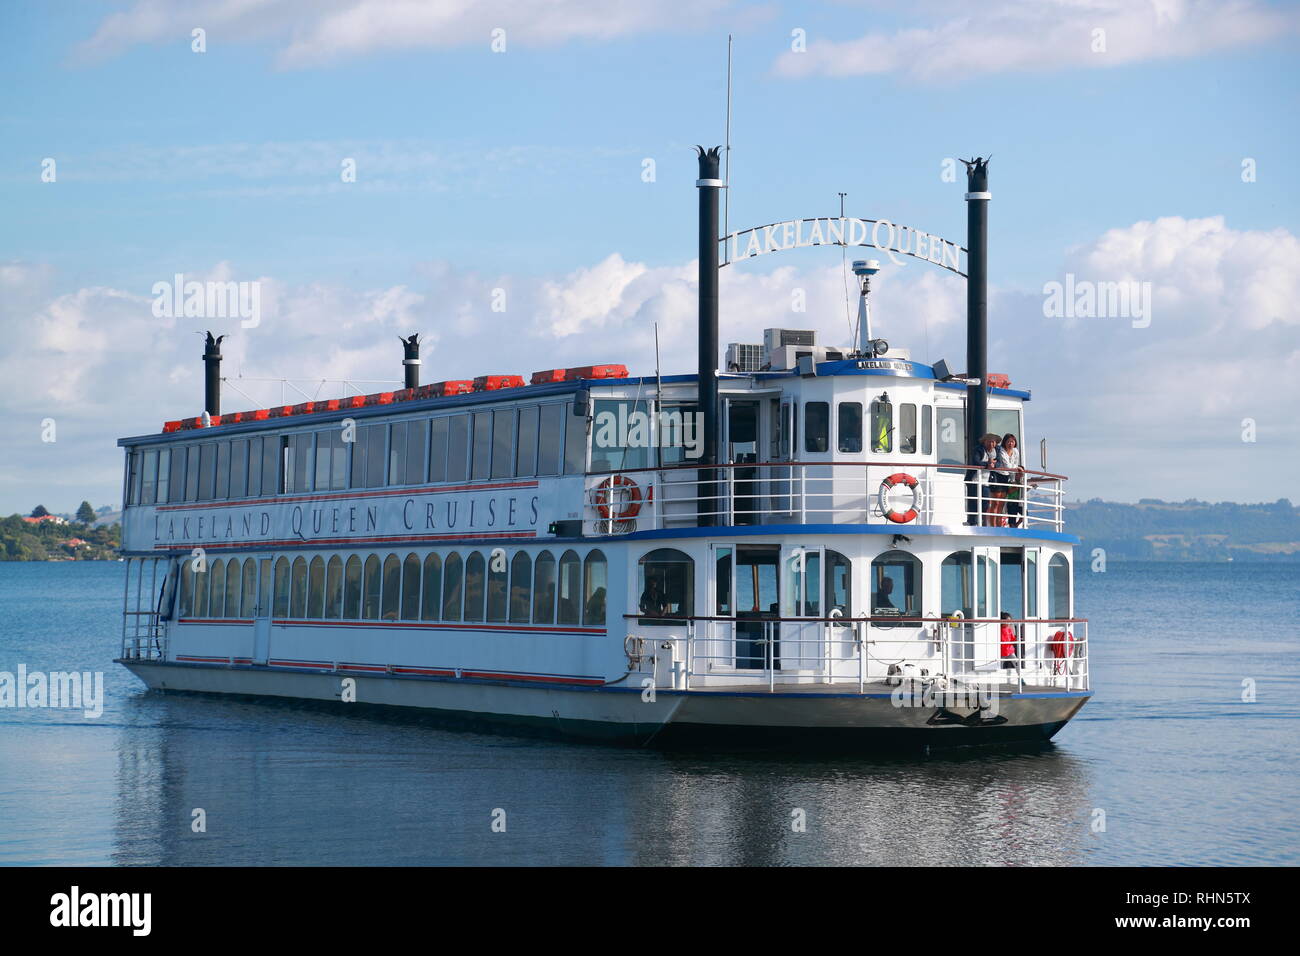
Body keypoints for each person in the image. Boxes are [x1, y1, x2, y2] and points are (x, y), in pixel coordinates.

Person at [976, 433, 1005, 525]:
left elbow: (999, 463)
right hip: (975, 479)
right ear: (984, 442)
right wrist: (987, 464)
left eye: (993, 442)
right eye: (989, 441)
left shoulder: (997, 451)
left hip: (988, 480)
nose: (991, 444)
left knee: (986, 503)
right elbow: (975, 461)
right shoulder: (978, 449)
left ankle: (984, 523)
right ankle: (972, 521)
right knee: (973, 501)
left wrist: (993, 465)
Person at [1000, 433, 1025, 528]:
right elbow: (1007, 467)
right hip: (1002, 476)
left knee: (1024, 512)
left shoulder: (1015, 451)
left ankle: (1016, 525)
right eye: (1008, 441)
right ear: (1005, 442)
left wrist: (1015, 477)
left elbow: (1015, 463)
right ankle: (1011, 525)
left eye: (1012, 441)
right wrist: (1017, 469)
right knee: (1010, 511)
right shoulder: (1001, 451)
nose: (1011, 443)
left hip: (1011, 477)